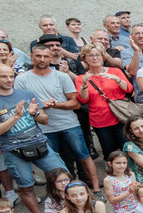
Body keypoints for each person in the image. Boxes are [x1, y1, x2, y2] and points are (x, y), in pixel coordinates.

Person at [0, 64, 69, 213]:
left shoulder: (26, 94)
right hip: (14, 150)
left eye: (11, 76)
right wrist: (15, 117)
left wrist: (35, 113)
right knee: (26, 187)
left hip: (39, 143)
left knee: (64, 178)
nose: (9, 79)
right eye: (3, 76)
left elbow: (44, 119)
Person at [16, 45, 99, 192]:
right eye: (38, 56)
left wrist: (54, 105)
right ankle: (57, 196)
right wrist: (42, 105)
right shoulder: (22, 79)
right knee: (49, 164)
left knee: (84, 156)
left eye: (46, 56)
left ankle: (97, 189)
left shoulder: (62, 76)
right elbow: (21, 106)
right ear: (31, 57)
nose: (42, 59)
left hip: (69, 124)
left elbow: (75, 103)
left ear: (51, 58)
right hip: (42, 128)